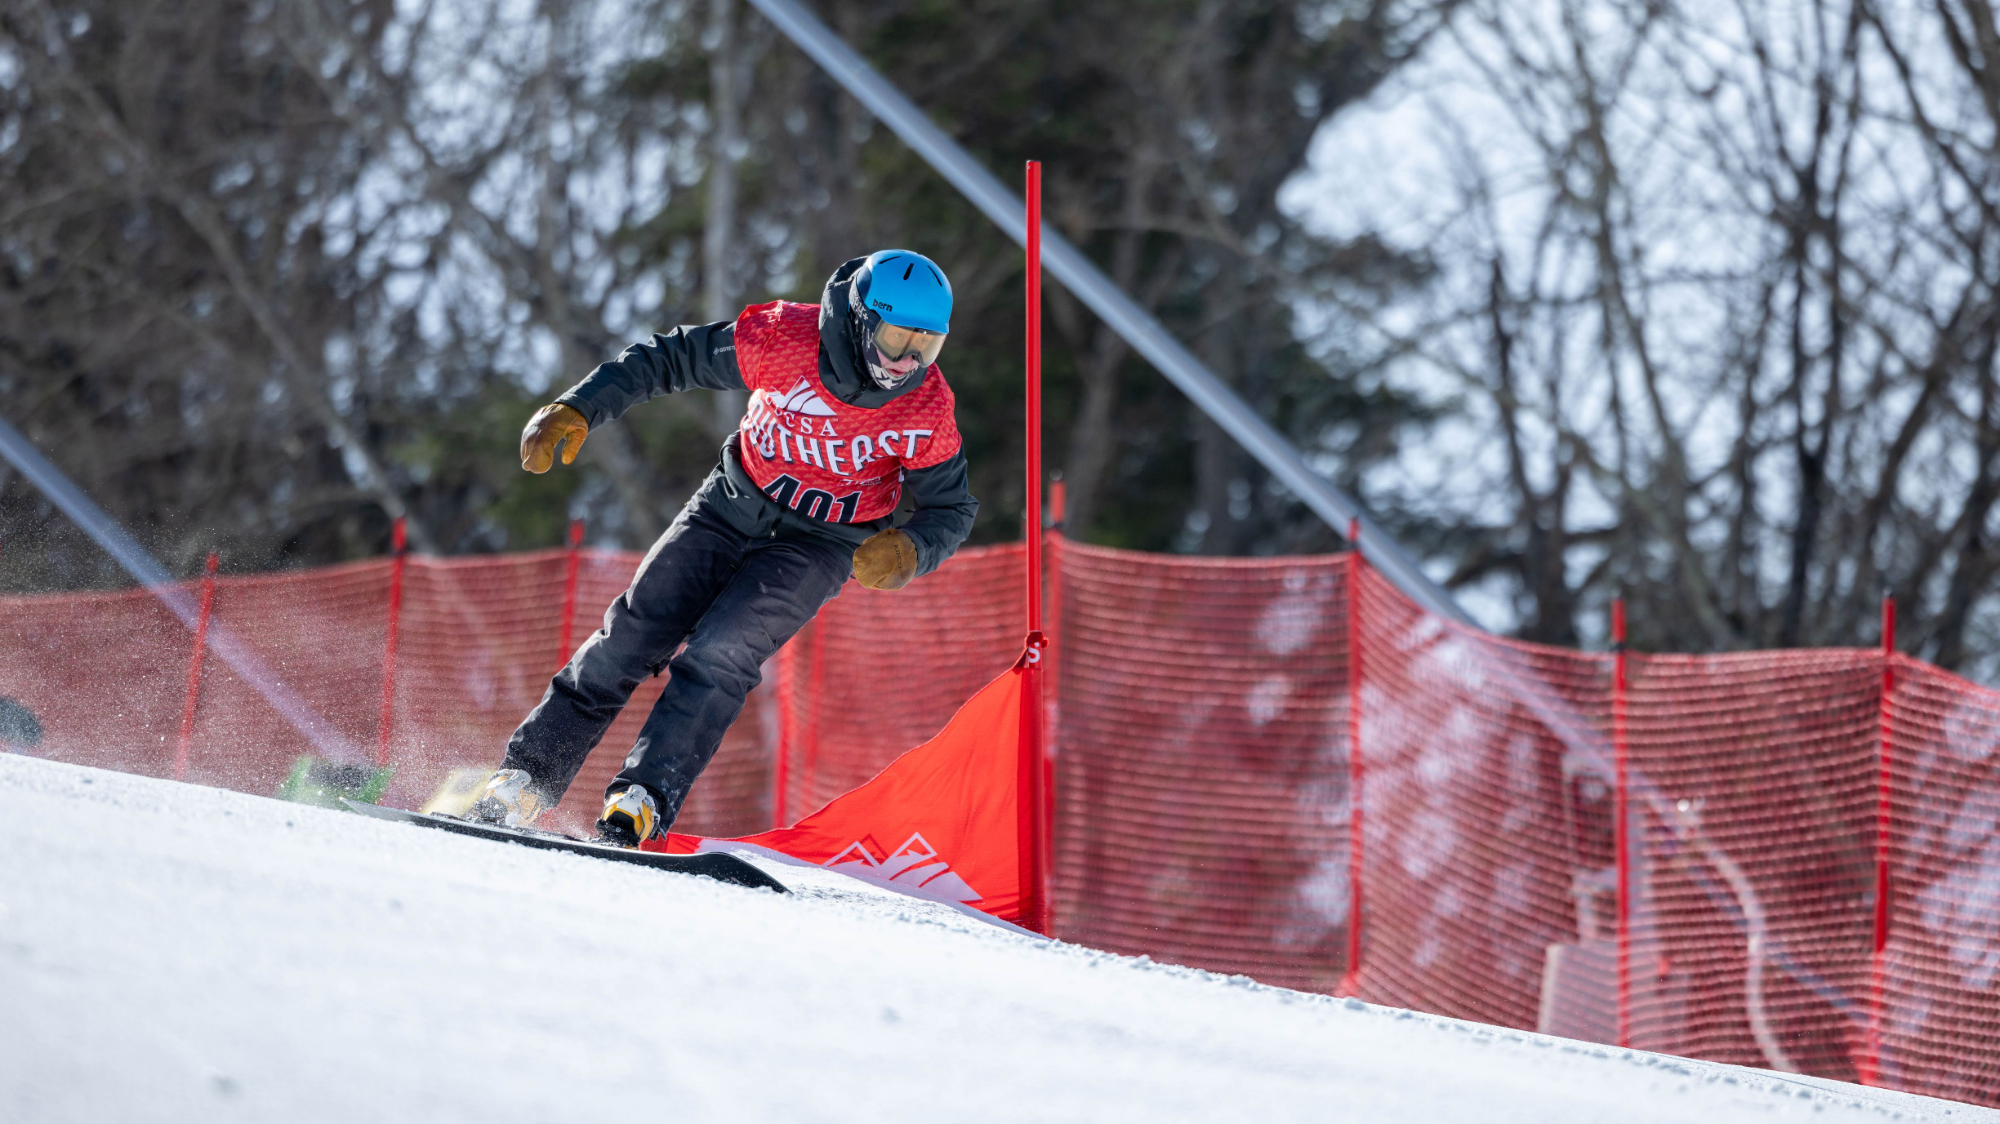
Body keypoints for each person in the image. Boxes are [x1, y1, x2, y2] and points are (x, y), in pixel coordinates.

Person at [469, 250, 978, 845]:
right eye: (898, 339)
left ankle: (641, 800)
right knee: (630, 635)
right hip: (727, 507)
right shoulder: (783, 339)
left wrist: (911, 549)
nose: (909, 360)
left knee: (721, 654)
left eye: (927, 345)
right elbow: (671, 358)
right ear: (863, 319)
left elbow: (951, 508)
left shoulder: (925, 407)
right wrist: (582, 404)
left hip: (821, 545)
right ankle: (524, 779)